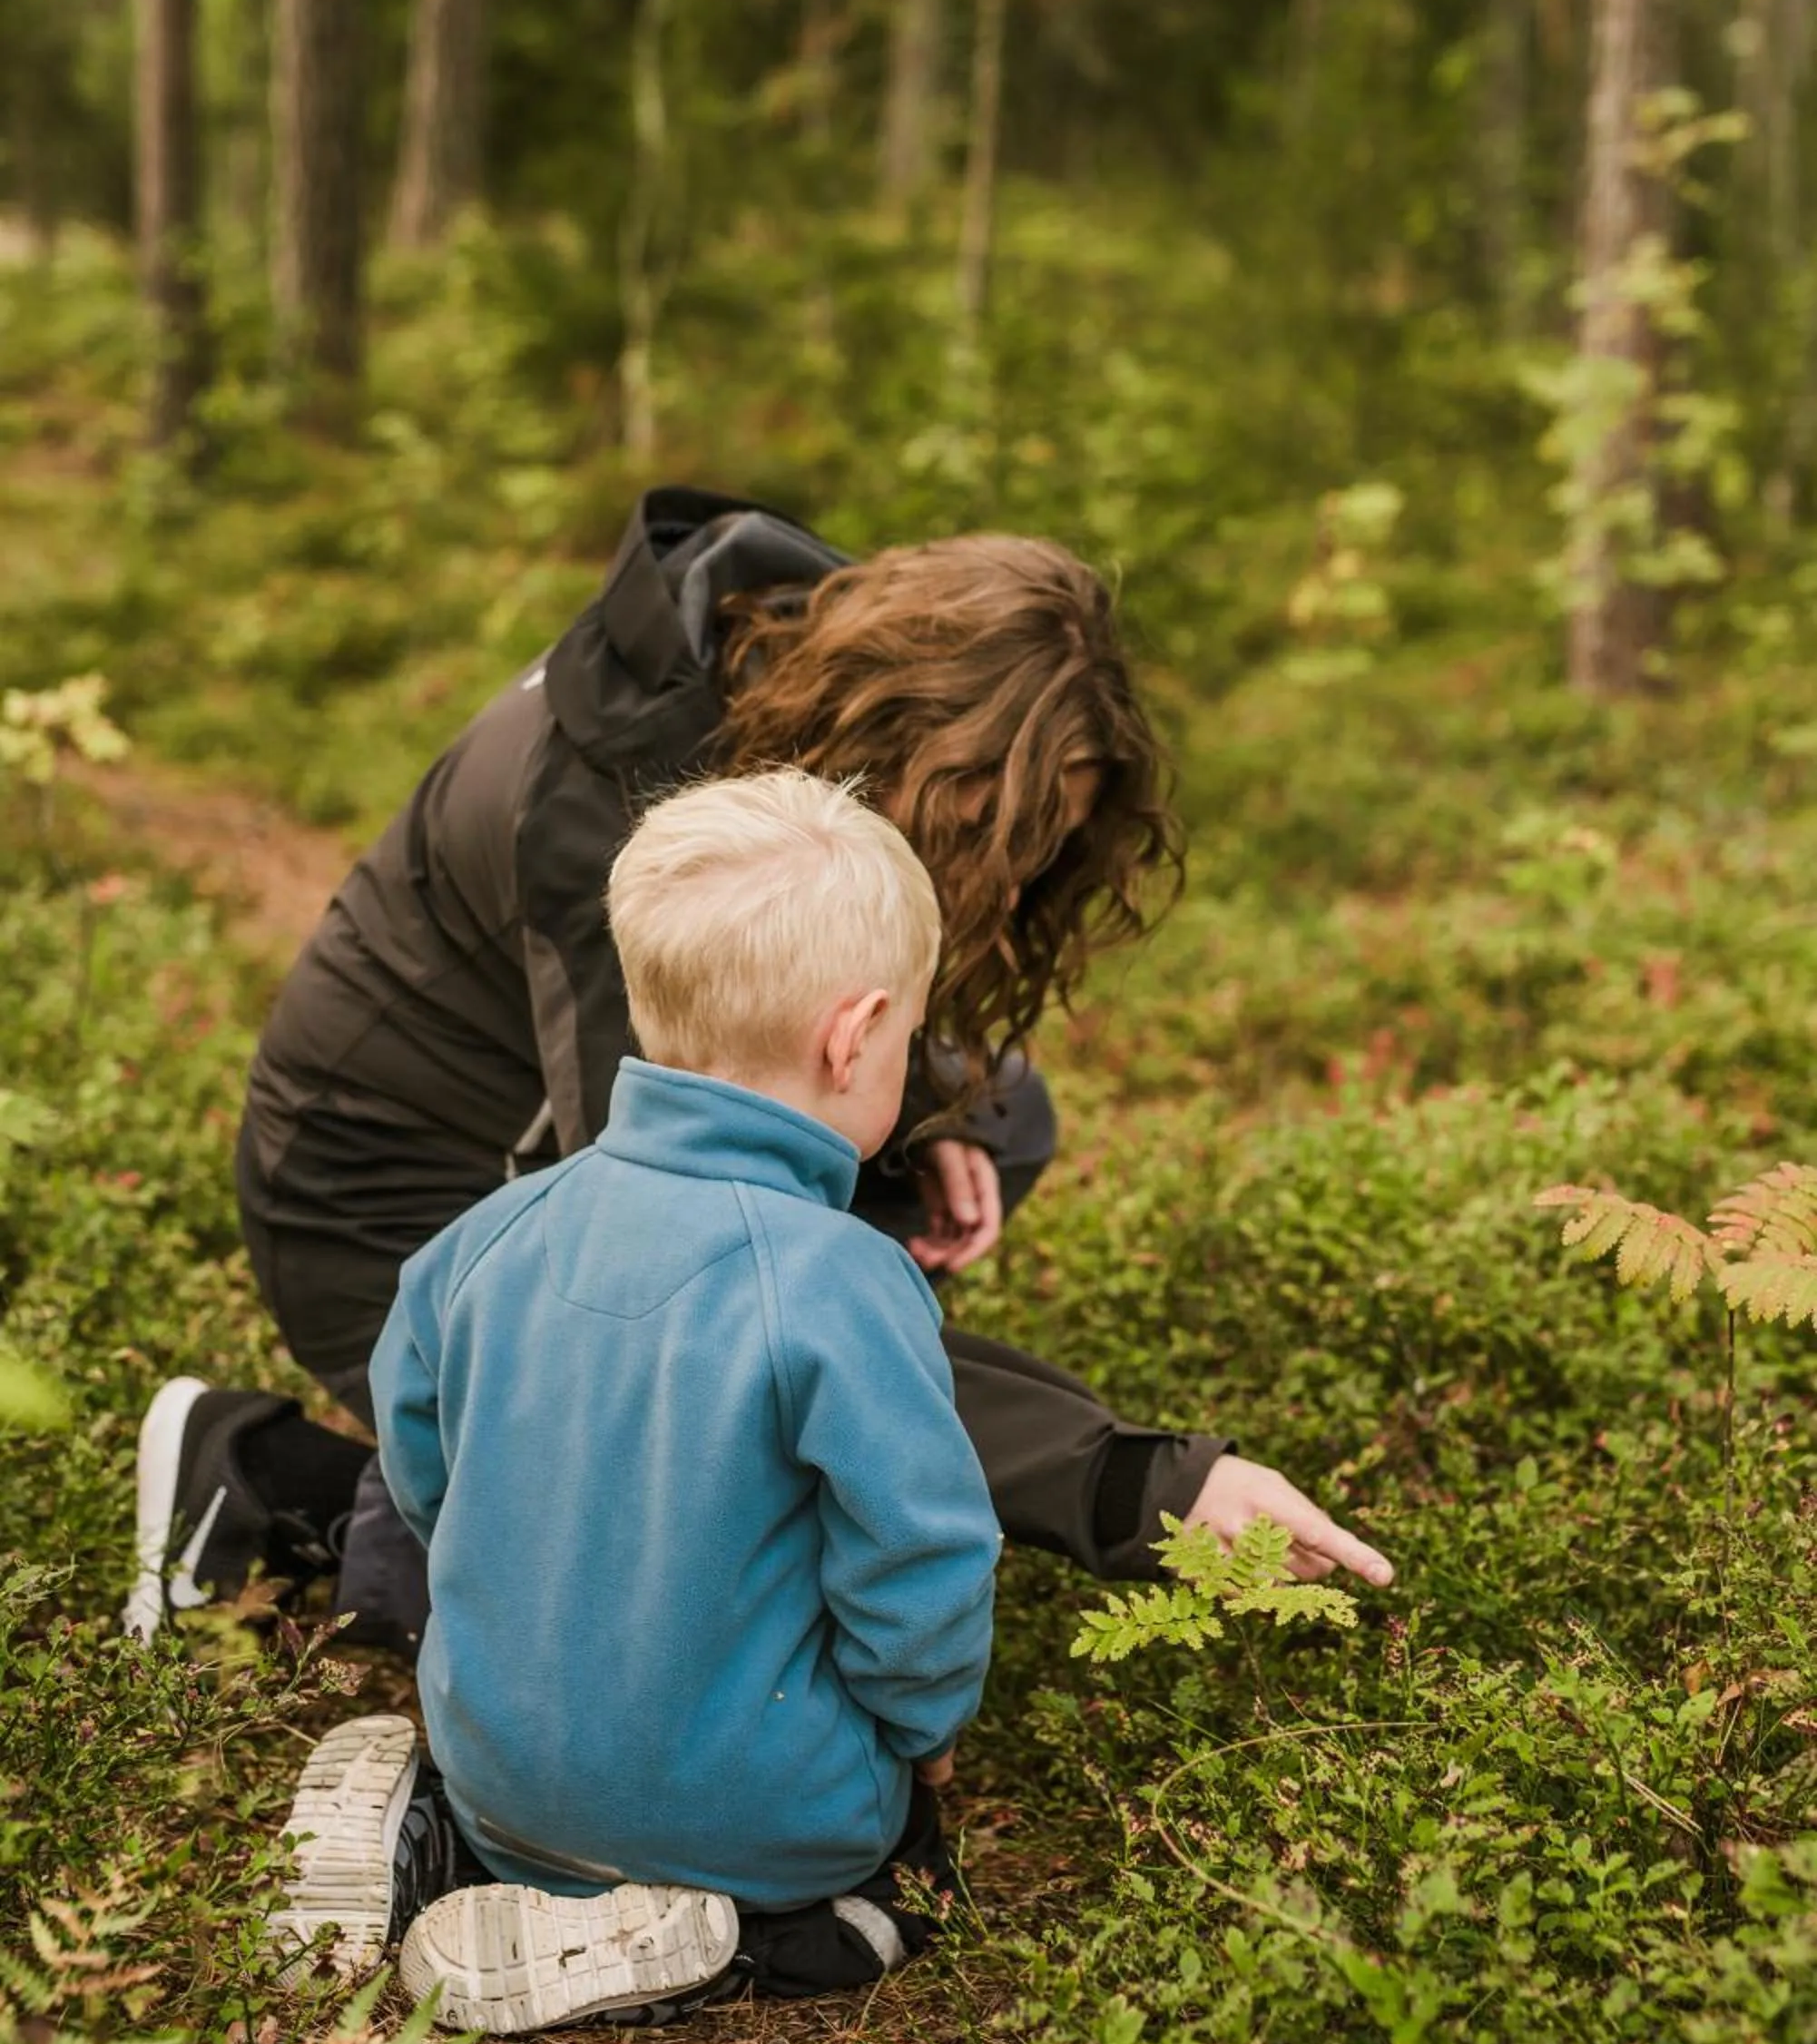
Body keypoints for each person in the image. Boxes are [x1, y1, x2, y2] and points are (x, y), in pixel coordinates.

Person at [124, 486, 1390, 1654]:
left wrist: (932, 1099)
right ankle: (277, 1491)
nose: (1007, 891)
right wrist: (1139, 1480)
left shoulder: (784, 685)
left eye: (1038, 851)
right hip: (379, 1214)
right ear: (894, 742)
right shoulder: (616, 820)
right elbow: (692, 1269)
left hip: (545, 1145)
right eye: (981, 836)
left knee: (1000, 1114)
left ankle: (719, 1460)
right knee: (663, 1531)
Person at [272, 771, 1000, 2030]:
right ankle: (731, 1941)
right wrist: (922, 1734)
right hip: (768, 1810)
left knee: (539, 1793)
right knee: (906, 1895)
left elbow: (419, 1460)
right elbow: (921, 1555)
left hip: (501, 1773)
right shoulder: (841, 1278)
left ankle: (440, 1848)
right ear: (854, 1037)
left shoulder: (489, 1236)